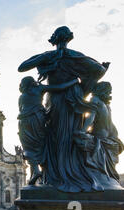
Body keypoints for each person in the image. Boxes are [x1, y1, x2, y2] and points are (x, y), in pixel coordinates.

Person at [18, 26, 114, 192]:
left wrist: (47, 56)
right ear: (69, 39)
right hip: (72, 99)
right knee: (68, 134)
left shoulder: (50, 56)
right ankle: (70, 172)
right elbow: (99, 70)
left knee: (55, 135)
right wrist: (83, 86)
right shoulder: (76, 56)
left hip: (56, 99)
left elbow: (23, 67)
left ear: (54, 40)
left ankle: (57, 174)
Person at [18, 76, 79, 185]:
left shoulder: (22, 97)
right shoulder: (39, 89)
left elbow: (21, 109)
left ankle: (36, 171)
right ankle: (38, 171)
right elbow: (59, 87)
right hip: (37, 119)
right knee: (40, 145)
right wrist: (73, 81)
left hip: (24, 122)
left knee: (28, 147)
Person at [74, 82, 123, 186]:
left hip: (99, 138)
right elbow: (111, 126)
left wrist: (82, 130)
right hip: (109, 139)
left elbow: (90, 118)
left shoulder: (95, 100)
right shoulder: (107, 105)